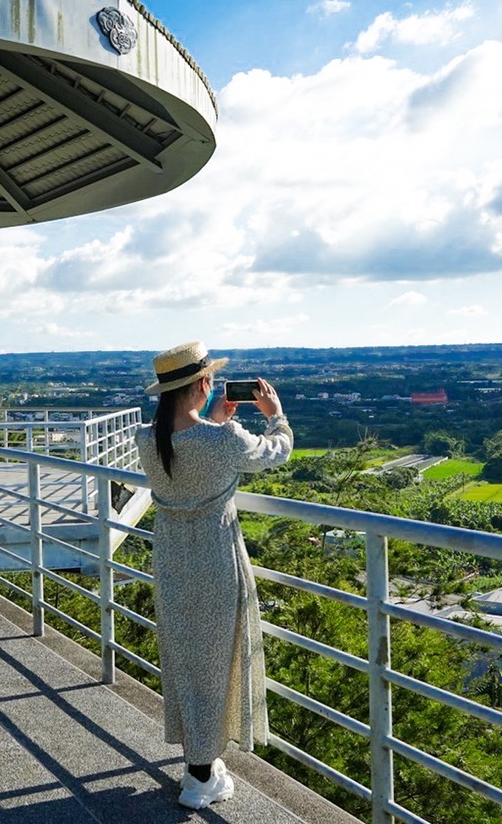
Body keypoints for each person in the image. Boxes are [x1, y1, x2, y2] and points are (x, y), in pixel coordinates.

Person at [134, 341, 291, 810]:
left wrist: (216, 418)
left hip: (172, 563)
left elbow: (187, 452)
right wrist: (275, 413)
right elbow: (275, 453)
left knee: (187, 658)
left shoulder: (148, 439)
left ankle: (198, 760)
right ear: (203, 384)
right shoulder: (222, 442)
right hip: (216, 562)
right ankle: (200, 776)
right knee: (218, 661)